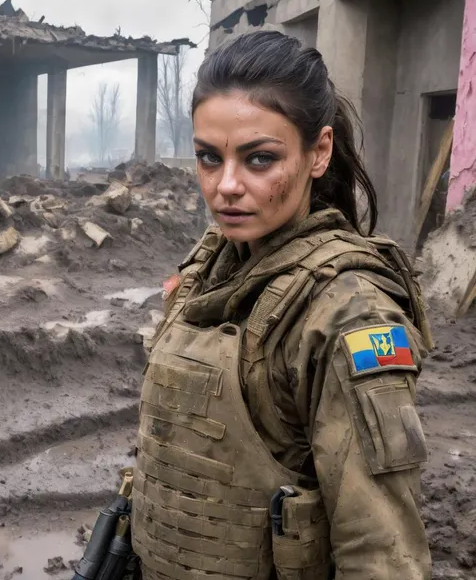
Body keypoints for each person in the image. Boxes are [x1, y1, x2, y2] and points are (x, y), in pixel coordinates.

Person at [130, 31, 433, 580]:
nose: (225, 186)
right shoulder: (208, 268)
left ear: (318, 152)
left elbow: (382, 552)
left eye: (259, 159)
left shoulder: (349, 312)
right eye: (207, 157)